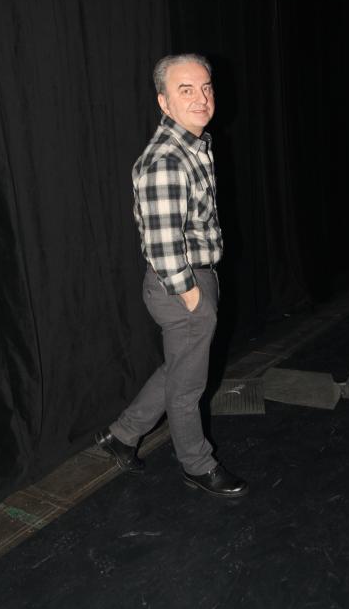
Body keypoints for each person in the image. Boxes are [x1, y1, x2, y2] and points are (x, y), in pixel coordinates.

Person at [96, 53, 248, 498]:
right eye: (186, 90)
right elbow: (163, 248)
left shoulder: (193, 145)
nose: (201, 98)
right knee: (188, 387)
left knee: (179, 368)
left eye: (206, 87)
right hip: (182, 285)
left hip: (195, 279)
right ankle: (197, 465)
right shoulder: (166, 159)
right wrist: (193, 297)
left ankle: (122, 435)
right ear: (164, 102)